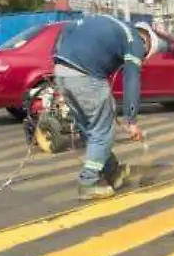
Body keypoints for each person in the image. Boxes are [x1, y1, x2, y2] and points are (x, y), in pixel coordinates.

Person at [51, 14, 155, 199]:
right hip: (86, 75)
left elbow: (65, 32)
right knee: (103, 131)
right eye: (144, 56)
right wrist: (131, 121)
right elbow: (131, 79)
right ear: (146, 42)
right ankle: (88, 182)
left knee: (91, 129)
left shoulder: (108, 22)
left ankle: (113, 172)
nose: (142, 59)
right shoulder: (134, 40)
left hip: (61, 72)